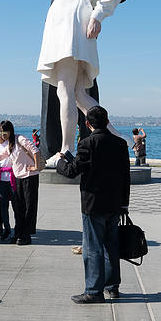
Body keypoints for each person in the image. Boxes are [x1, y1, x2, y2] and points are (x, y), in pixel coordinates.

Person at [38, 0, 150, 163]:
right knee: (79, 92)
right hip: (68, 15)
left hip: (71, 17)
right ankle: (119, 138)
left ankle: (65, 150)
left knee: (66, 88)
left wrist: (98, 15)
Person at [56, 105, 130, 303]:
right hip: (114, 204)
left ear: (87, 124)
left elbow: (72, 171)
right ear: (107, 121)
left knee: (92, 248)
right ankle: (112, 287)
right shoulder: (121, 144)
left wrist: (61, 162)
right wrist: (124, 203)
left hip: (93, 204)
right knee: (111, 247)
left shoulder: (87, 143)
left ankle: (93, 291)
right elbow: (125, 176)